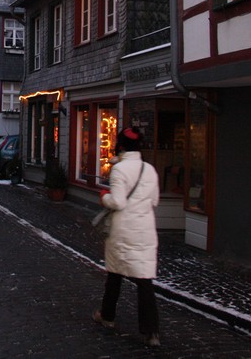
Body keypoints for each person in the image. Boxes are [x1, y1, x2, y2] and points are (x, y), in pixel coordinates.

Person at [93, 127, 161, 347]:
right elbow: (155, 200)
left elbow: (118, 202)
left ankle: (107, 315)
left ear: (121, 146)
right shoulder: (150, 170)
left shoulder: (119, 170)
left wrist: (104, 196)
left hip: (123, 230)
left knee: (115, 274)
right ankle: (151, 332)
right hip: (145, 230)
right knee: (144, 280)